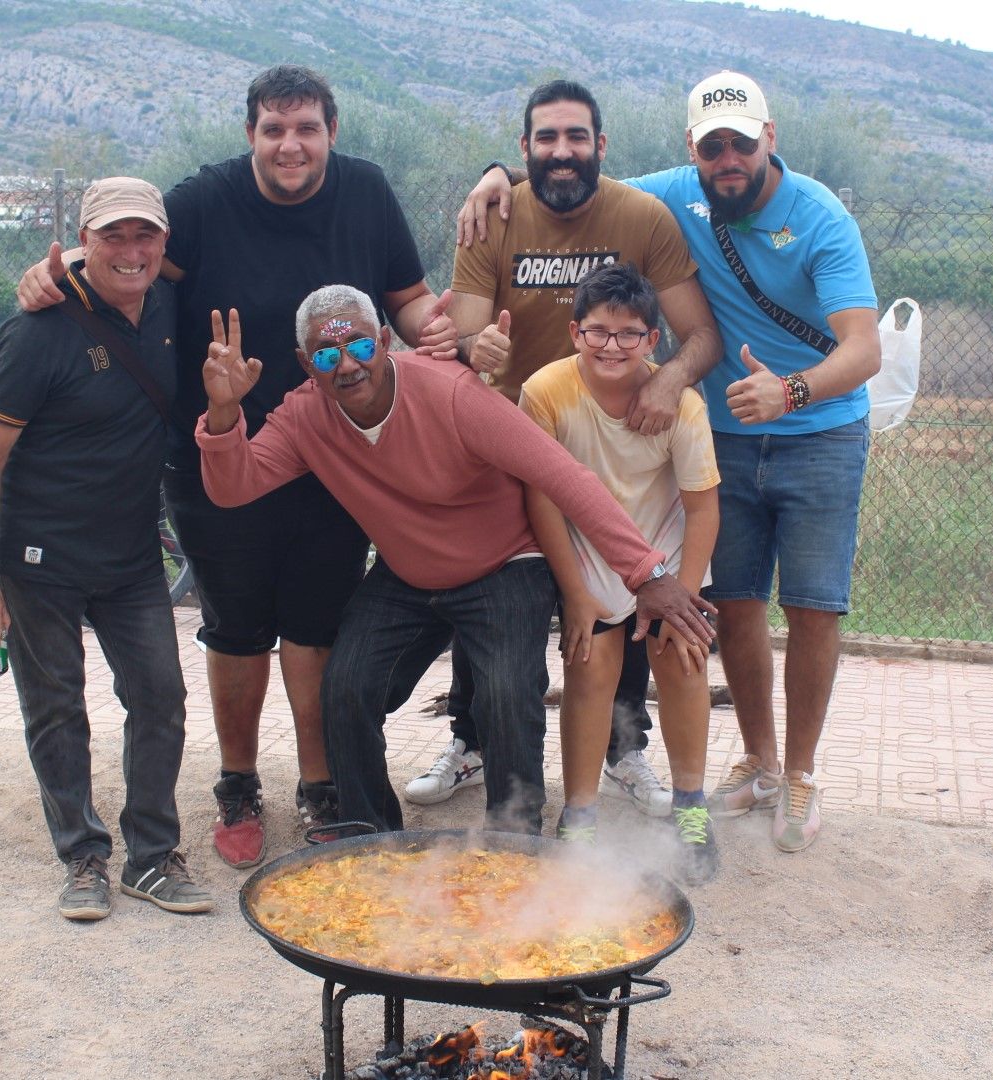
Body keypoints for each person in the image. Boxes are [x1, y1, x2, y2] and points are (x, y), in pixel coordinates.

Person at [17, 66, 452, 870]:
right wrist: (55, 273)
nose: (291, 144)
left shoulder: (366, 193)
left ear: (331, 131)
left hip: (340, 451)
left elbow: (410, 299)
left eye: (307, 128)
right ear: (250, 133)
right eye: (274, 128)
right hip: (220, 451)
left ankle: (319, 788)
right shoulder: (204, 200)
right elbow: (126, 254)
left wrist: (443, 329)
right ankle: (238, 781)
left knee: (316, 625)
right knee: (237, 626)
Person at [460, 71, 882, 851]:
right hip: (723, 434)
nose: (728, 157)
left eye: (741, 143)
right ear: (693, 148)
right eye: (713, 144)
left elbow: (865, 348)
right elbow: (571, 174)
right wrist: (498, 174)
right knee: (739, 605)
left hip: (813, 426)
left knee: (811, 607)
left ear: (769, 139)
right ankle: (746, 764)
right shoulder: (671, 197)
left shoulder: (821, 218)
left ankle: (796, 774)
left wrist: (791, 392)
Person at [195, 285, 717, 835]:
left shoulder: (450, 392)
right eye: (326, 355)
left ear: (385, 340)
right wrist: (224, 412)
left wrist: (646, 572)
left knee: (507, 694)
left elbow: (562, 476)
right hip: (408, 571)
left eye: (360, 347)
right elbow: (235, 487)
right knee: (346, 688)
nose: (347, 364)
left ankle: (514, 844)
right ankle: (370, 839)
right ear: (307, 364)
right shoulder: (305, 416)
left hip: (504, 563)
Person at [406, 79, 721, 820]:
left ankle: (627, 749)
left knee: (636, 611)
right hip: (520, 444)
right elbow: (472, 353)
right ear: (523, 151)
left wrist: (668, 378)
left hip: (624, 442)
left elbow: (700, 334)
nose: (561, 151)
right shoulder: (494, 216)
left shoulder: (642, 217)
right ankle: (471, 738)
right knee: (498, 607)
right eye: (545, 139)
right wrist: (477, 350)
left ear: (600, 146)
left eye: (576, 137)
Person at [0, 177, 213, 922]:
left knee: (160, 696)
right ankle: (82, 856)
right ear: (83, 239)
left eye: (145, 235)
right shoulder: (37, 330)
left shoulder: (170, 300)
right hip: (40, 556)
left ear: (164, 242)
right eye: (112, 237)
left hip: (131, 553)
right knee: (56, 707)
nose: (130, 252)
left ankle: (151, 857)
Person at [521, 264, 721, 883]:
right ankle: (579, 813)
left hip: (664, 542)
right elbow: (542, 497)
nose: (613, 345)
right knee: (589, 667)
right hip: (588, 548)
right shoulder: (546, 391)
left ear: (652, 340)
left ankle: (690, 805)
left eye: (629, 333)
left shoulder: (681, 402)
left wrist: (682, 596)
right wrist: (575, 594)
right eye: (599, 332)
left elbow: (702, 503)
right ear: (575, 332)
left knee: (683, 661)